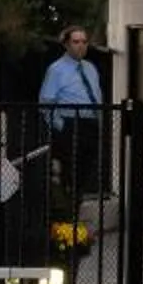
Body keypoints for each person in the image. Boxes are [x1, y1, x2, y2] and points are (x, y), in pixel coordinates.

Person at [40, 22, 104, 216]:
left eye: (84, 42)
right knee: (70, 172)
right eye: (76, 42)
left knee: (86, 172)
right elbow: (46, 101)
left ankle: (76, 211)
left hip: (90, 124)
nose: (81, 46)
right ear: (66, 44)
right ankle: (66, 216)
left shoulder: (90, 68)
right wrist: (61, 126)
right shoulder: (57, 69)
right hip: (70, 123)